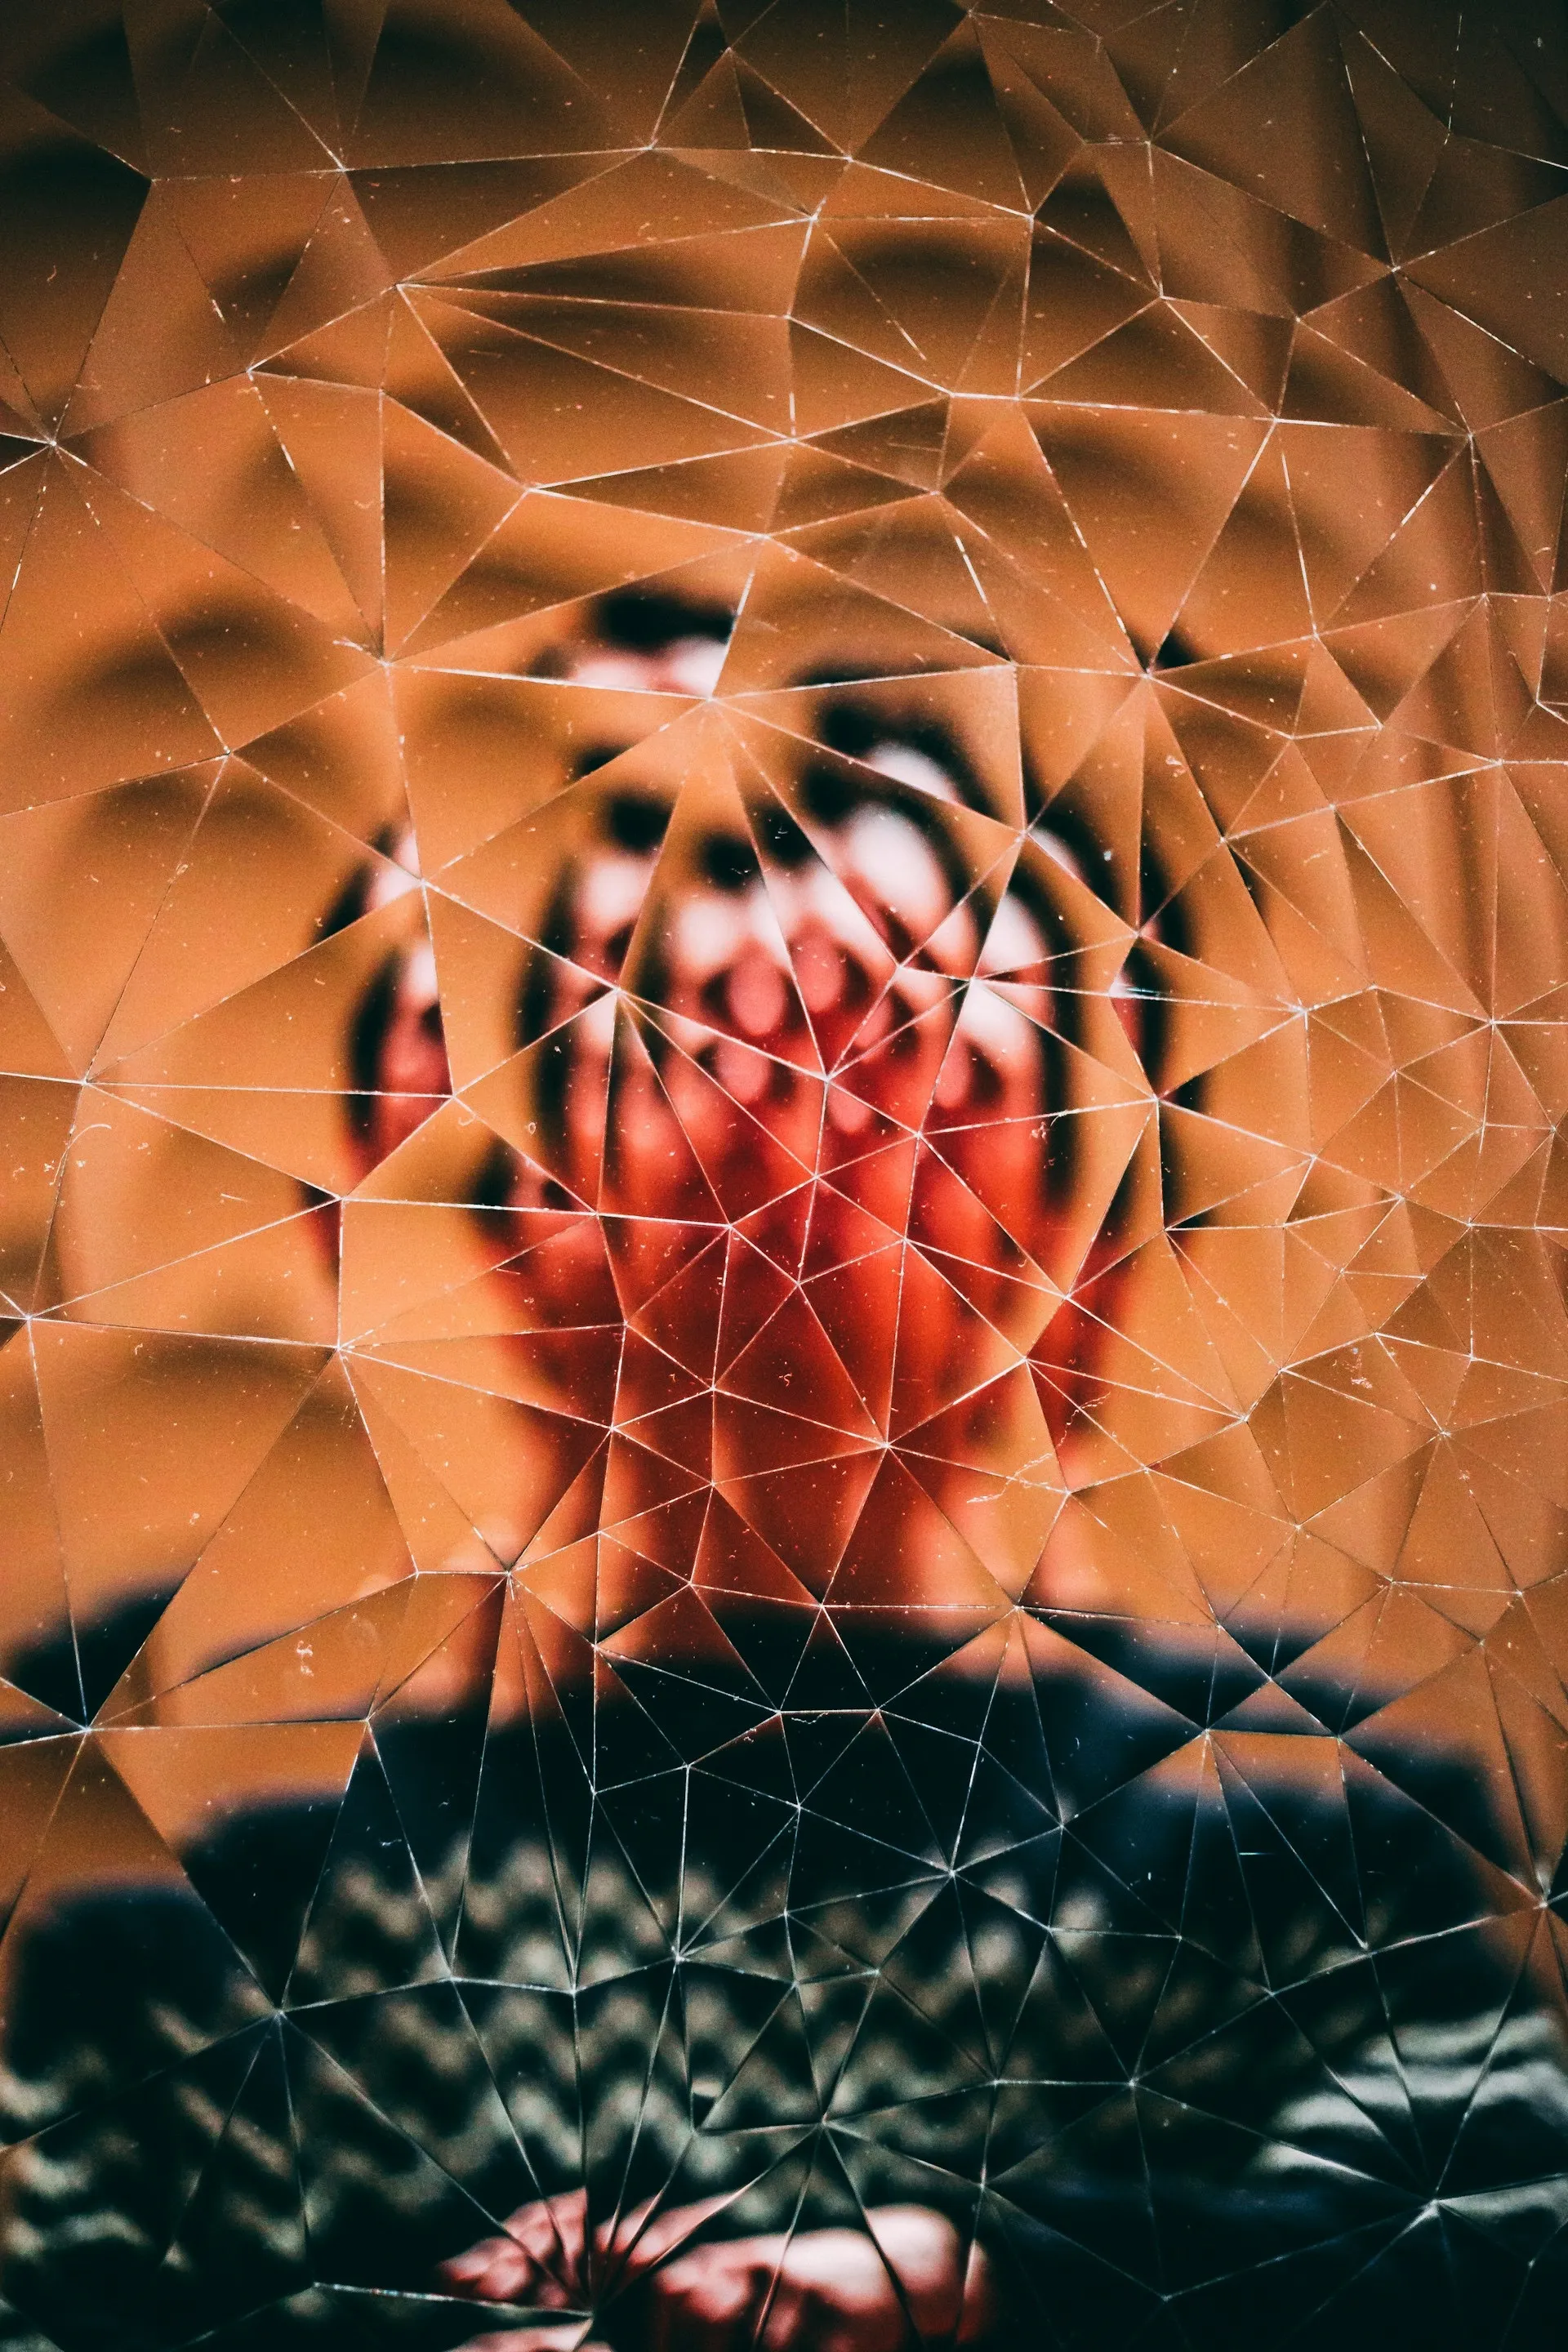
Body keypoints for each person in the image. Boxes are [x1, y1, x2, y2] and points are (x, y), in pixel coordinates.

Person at [2, 593, 1565, 2352]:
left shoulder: (1304, 1868)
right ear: (521, 1220)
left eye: (916, 1060)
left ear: (1081, 1275)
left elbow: (1509, 2267)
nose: (810, 1135)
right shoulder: (218, 1974)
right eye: (684, 1031)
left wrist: (986, 2284)